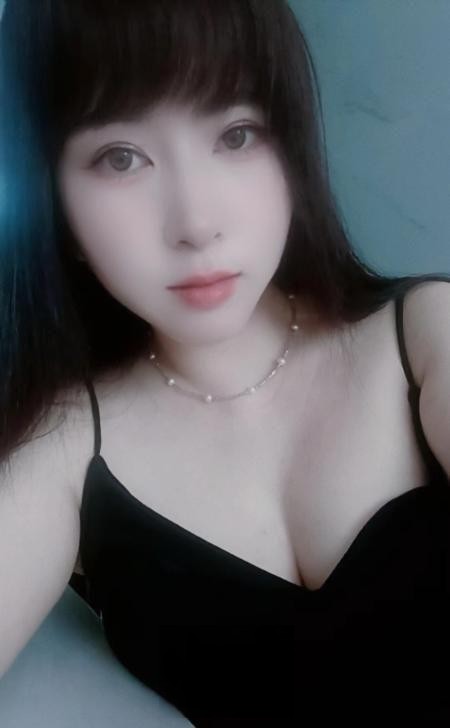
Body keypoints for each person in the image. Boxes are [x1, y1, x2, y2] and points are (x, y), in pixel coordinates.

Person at [0, 0, 449, 724]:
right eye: (121, 157)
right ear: (55, 200)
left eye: (237, 134)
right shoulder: (65, 448)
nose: (196, 223)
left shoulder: (425, 335)